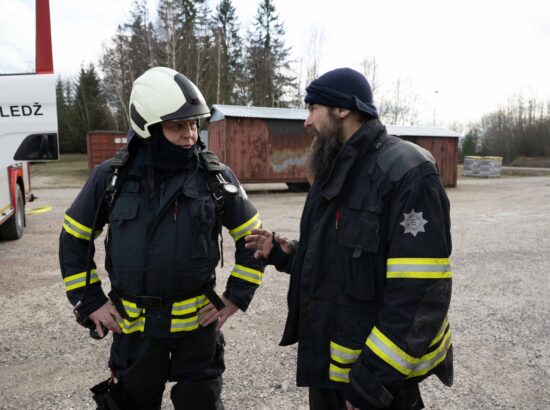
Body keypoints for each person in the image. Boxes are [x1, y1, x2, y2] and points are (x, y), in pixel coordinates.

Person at [245, 67, 453, 410]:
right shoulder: (333, 169)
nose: (306, 122)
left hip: (376, 385)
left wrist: (373, 382)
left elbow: (419, 293)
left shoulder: (407, 171)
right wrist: (287, 255)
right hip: (330, 371)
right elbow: (343, 260)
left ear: (342, 109)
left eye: (312, 109)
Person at [59, 66, 264, 410]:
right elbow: (74, 238)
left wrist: (236, 296)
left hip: (198, 335)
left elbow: (253, 238)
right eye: (177, 126)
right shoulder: (110, 179)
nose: (189, 134)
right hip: (136, 334)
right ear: (148, 128)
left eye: (194, 123)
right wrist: (90, 300)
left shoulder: (216, 178)